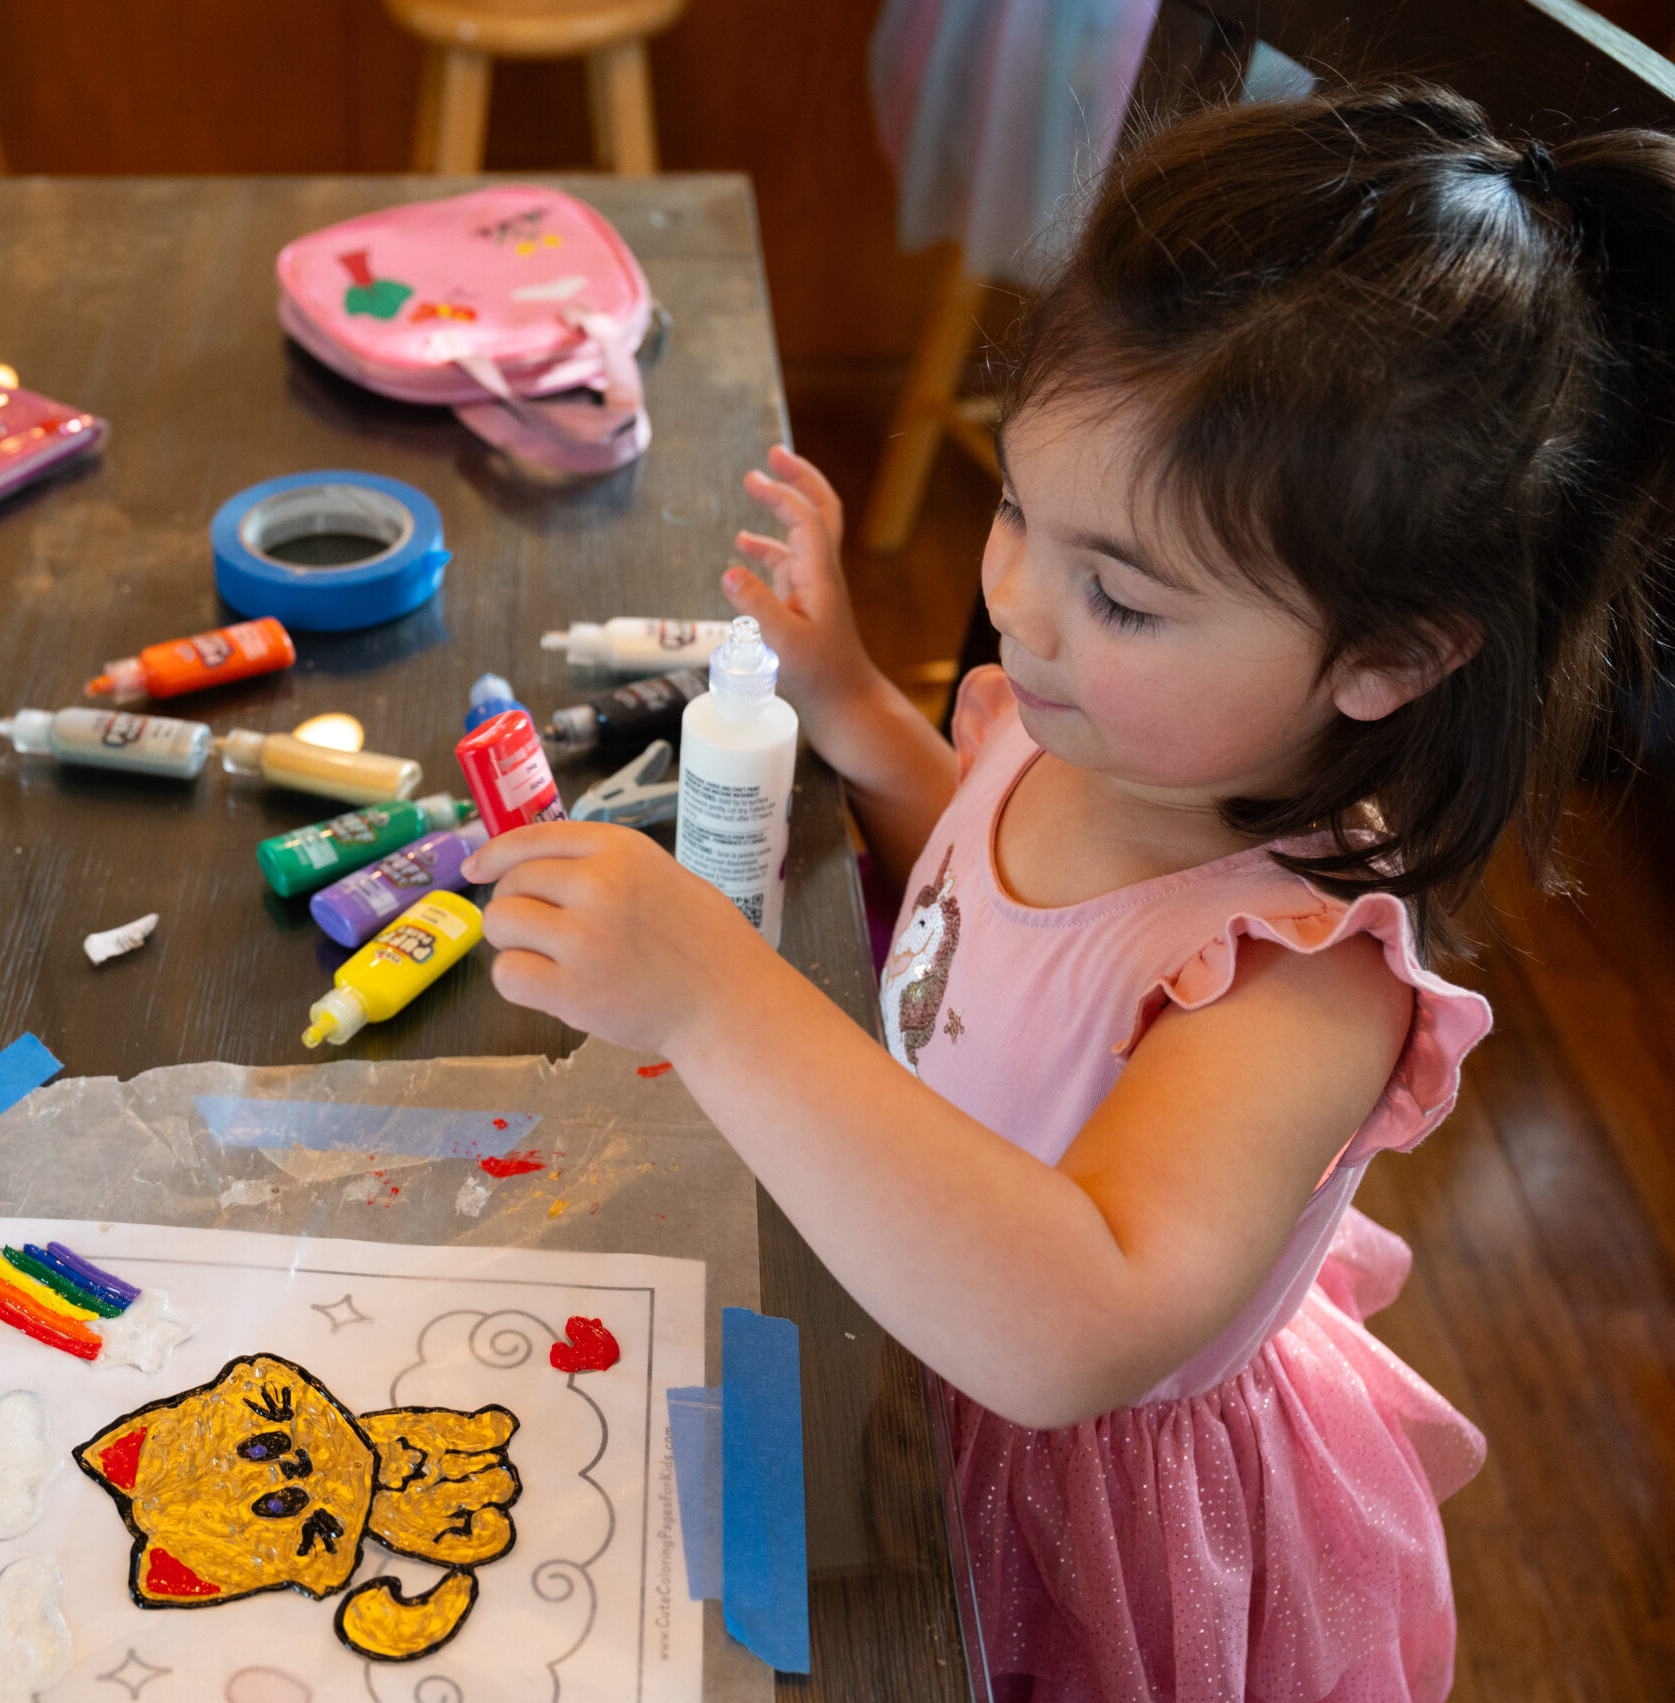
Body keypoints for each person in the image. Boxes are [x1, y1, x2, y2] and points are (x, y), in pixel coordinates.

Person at [465, 84, 1675, 1702]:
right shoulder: (1095, 740)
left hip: (1083, 1510)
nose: (1021, 607)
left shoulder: (1290, 984)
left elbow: (1066, 1326)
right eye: (1024, 507)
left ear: (1392, 655)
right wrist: (842, 705)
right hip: (907, 1308)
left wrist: (711, 991)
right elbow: (969, 865)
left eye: (1120, 591)